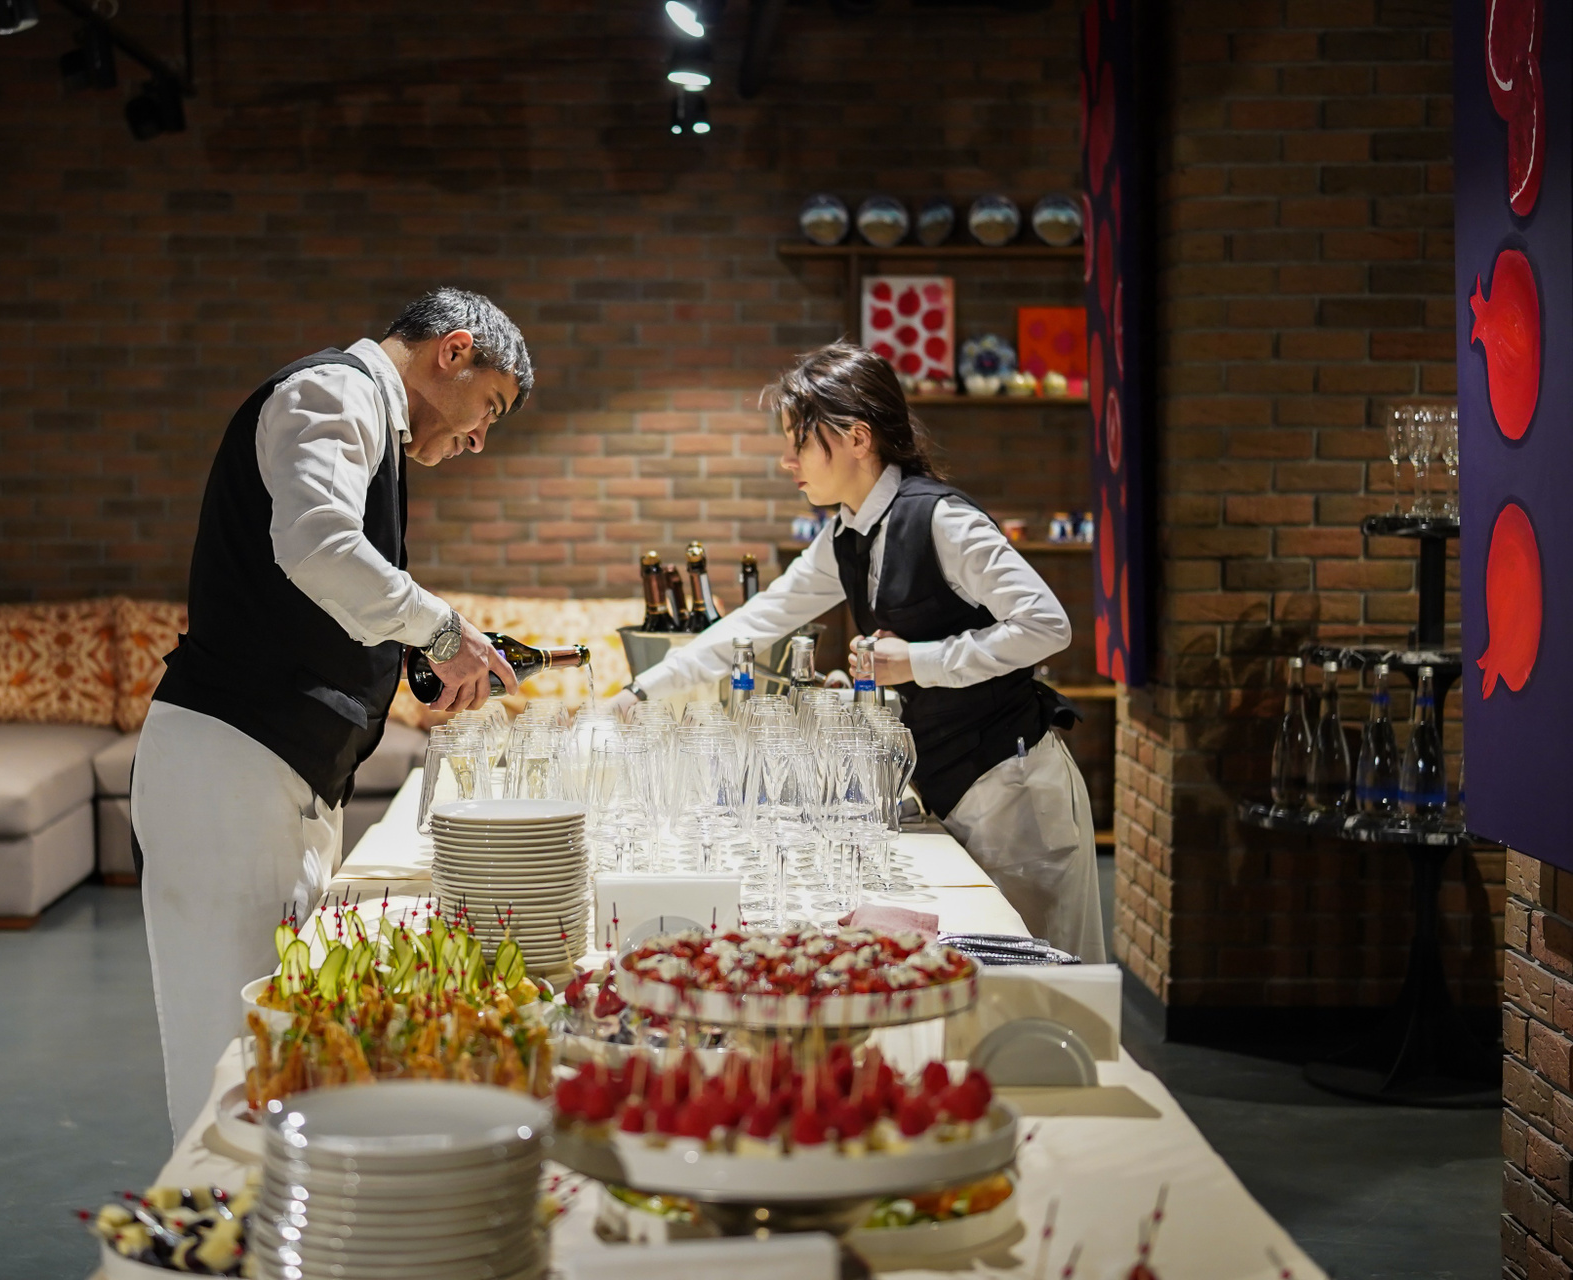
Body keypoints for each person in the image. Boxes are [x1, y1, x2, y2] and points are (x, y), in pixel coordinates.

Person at [133, 288, 533, 1138]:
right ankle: (213, 1223)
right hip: (229, 767)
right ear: (454, 351)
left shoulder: (370, 417)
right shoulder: (333, 391)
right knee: (230, 1055)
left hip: (278, 771)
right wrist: (441, 631)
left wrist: (415, 649)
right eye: (490, 409)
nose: (478, 439)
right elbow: (317, 546)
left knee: (279, 1042)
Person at [613, 343, 1103, 962]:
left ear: (857, 438)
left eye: (799, 441)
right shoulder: (845, 533)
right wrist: (643, 689)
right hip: (948, 783)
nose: (786, 459)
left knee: (1043, 977)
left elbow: (1046, 624)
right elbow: (758, 620)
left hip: (1015, 788)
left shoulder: (941, 520)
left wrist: (918, 662)